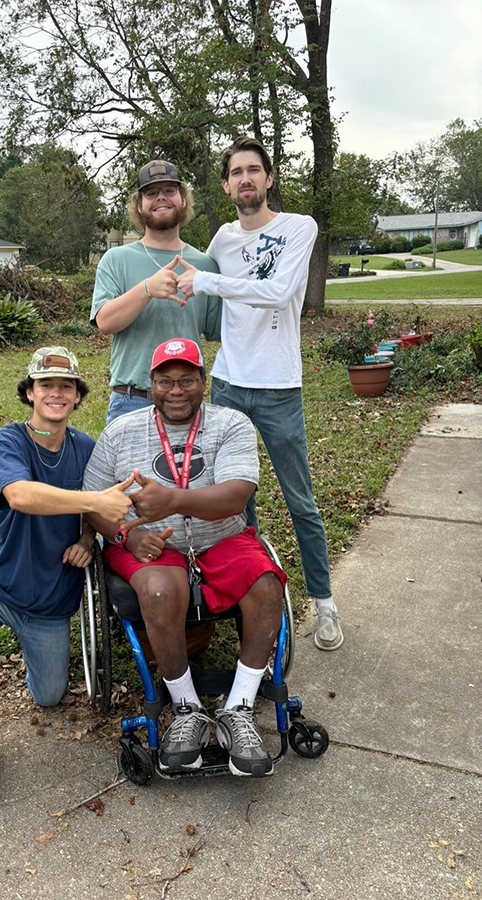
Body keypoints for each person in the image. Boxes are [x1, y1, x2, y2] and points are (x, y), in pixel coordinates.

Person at [0, 347, 136, 800]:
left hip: (50, 598)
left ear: (78, 396)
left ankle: (34, 652)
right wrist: (92, 502)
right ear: (30, 392)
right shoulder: (5, 441)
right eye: (46, 385)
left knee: (48, 695)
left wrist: (87, 540)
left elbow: (100, 513)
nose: (56, 393)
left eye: (66, 386)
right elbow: (23, 495)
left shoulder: (87, 448)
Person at [82, 338, 287, 777]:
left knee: (267, 586)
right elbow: (93, 501)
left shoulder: (231, 424)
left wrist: (173, 499)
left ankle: (240, 707)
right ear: (151, 384)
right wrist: (125, 537)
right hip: (149, 545)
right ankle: (187, 708)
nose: (177, 391)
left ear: (202, 382)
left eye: (187, 381)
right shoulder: (120, 432)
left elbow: (237, 497)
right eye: (166, 381)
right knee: (157, 591)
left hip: (221, 538)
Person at [175, 135, 343, 652]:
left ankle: (325, 604)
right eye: (236, 173)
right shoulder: (223, 239)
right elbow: (185, 268)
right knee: (233, 503)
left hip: (277, 389)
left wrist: (208, 283)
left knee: (301, 501)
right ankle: (246, 595)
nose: (245, 179)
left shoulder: (298, 228)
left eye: (254, 170)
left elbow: (278, 293)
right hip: (227, 383)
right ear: (226, 186)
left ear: (269, 179)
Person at [91, 159, 222, 423]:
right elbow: (104, 322)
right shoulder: (115, 259)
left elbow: (220, 332)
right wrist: (147, 289)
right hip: (131, 401)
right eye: (151, 193)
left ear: (183, 199)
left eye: (169, 191)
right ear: (139, 205)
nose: (161, 198)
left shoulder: (205, 265)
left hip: (186, 402)